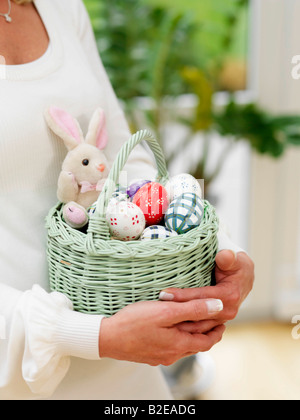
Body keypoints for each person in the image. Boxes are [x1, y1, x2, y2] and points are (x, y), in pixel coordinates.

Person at [0, 0, 254, 400]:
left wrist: (218, 251)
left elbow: (120, 153)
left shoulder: (62, 8)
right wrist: (90, 335)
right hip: (25, 367)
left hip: (126, 350)